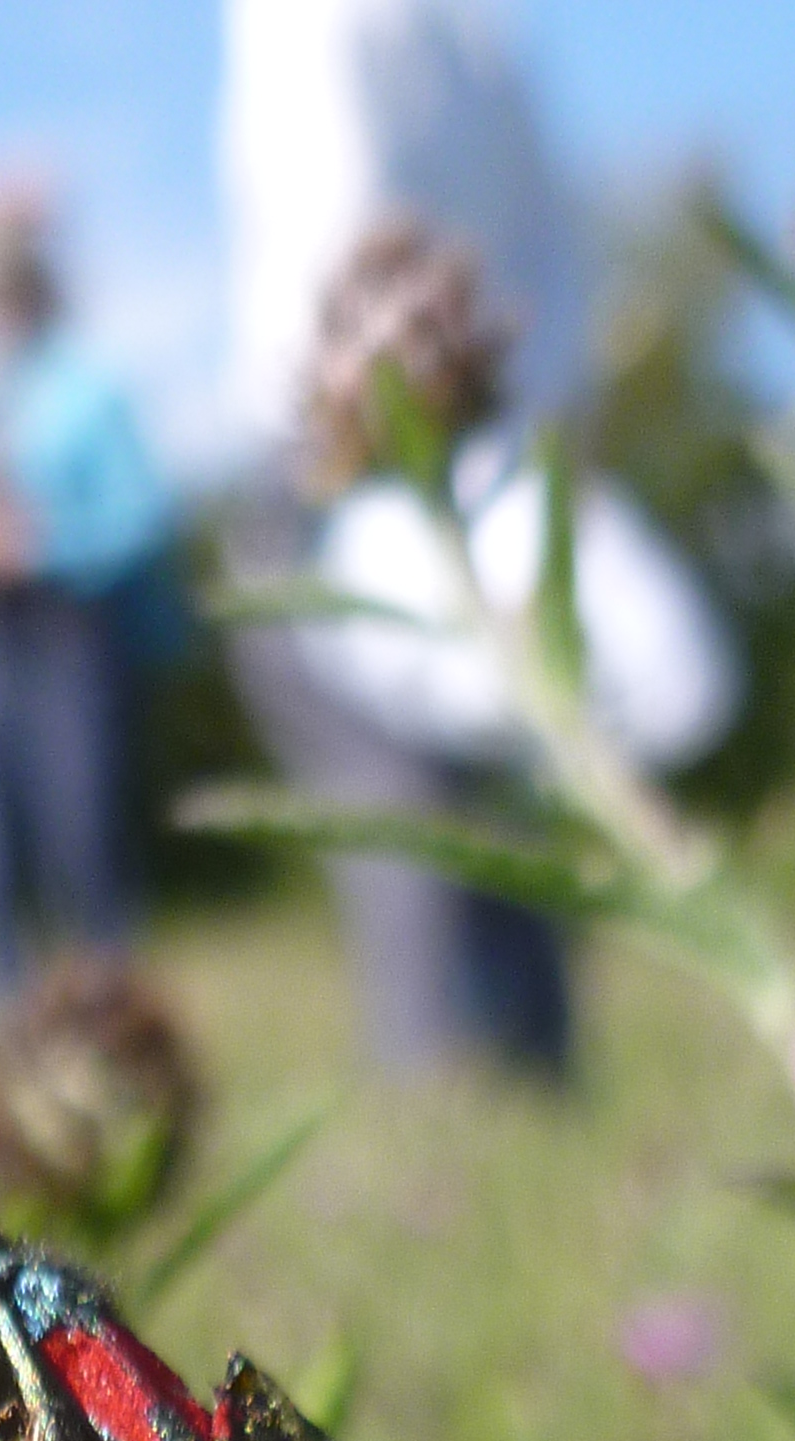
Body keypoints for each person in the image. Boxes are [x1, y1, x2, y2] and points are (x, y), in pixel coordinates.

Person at [238, 219, 735, 1076]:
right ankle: (440, 1080)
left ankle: (511, 1071)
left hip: (406, 513)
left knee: (461, 849)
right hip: (342, 524)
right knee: (409, 853)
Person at [0, 226, 174, 1007]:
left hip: (68, 635)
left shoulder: (88, 388)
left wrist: (40, 546)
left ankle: (111, 1028)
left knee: (83, 839)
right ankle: (0, 1038)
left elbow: (143, 515)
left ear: (28, 293)